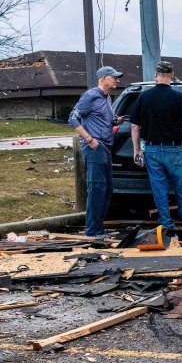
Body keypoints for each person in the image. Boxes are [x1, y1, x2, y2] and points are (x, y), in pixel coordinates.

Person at [129, 60, 182, 233]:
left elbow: (134, 127)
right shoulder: (177, 97)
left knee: (159, 188)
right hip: (174, 149)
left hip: (151, 149)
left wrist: (137, 150)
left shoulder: (143, 97)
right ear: (172, 76)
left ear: (156, 76)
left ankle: (166, 224)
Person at [69, 65, 124, 237]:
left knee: (107, 189)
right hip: (95, 147)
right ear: (103, 78)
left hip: (106, 147)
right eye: (113, 77)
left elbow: (105, 120)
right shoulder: (90, 96)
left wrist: (116, 121)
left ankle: (98, 228)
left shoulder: (107, 98)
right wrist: (89, 139)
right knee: (97, 188)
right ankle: (92, 231)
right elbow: (73, 118)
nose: (117, 80)